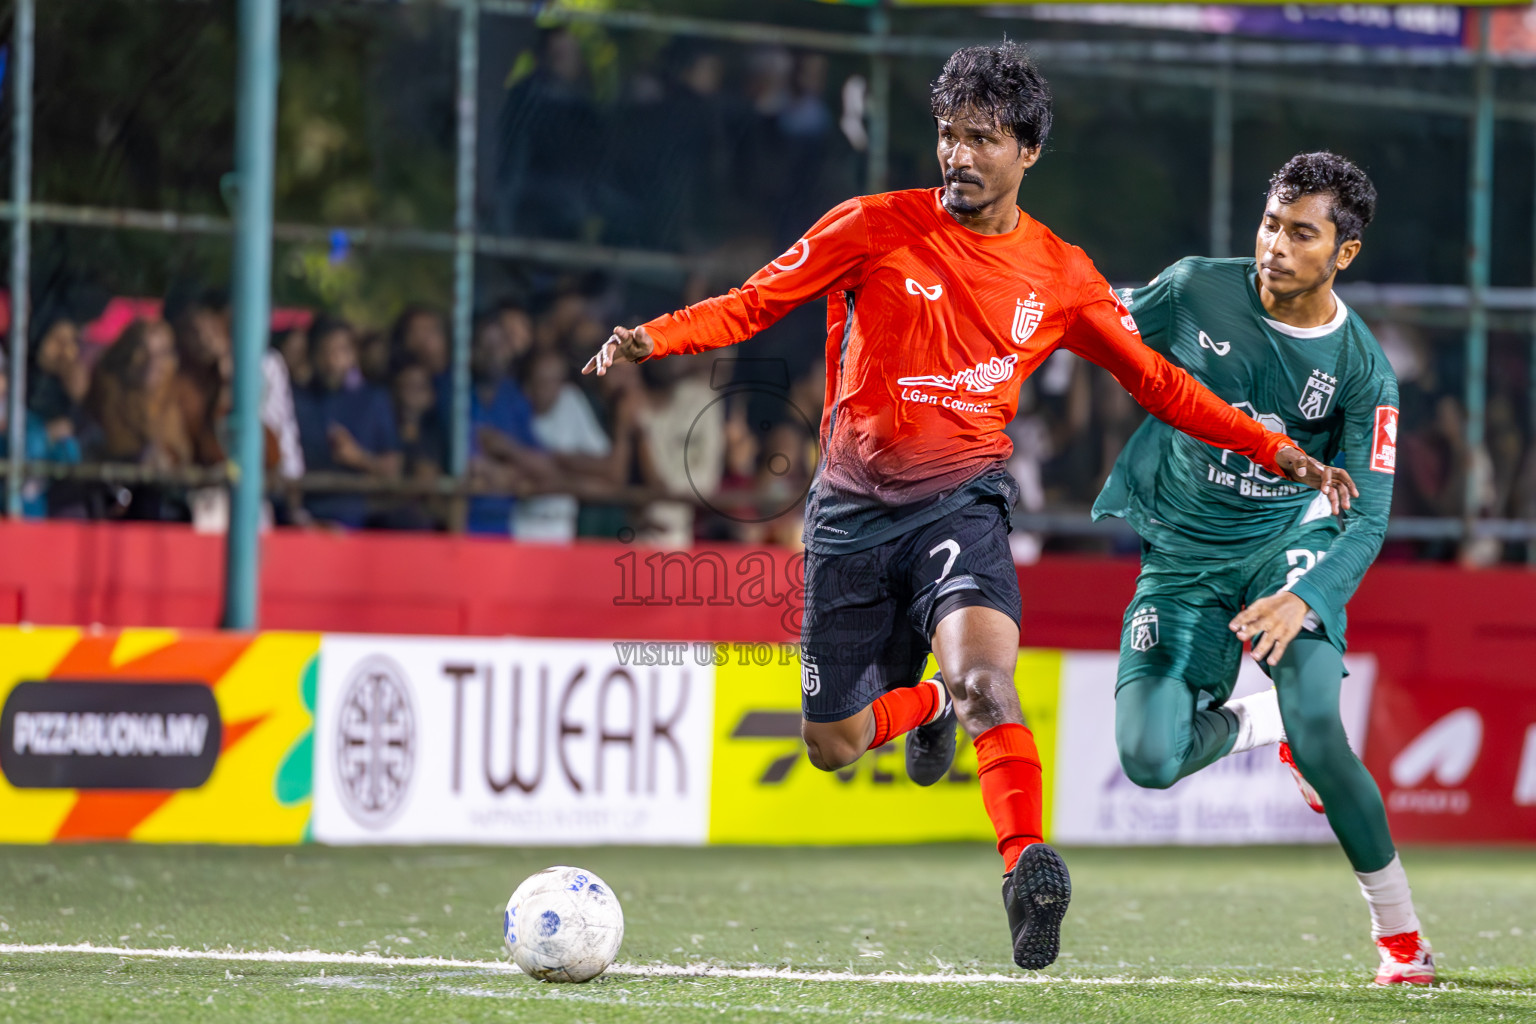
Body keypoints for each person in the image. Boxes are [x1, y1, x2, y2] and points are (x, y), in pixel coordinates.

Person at [584, 43, 1348, 971]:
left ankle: (1025, 866)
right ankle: (929, 704)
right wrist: (650, 338)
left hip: (962, 504)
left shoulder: (1058, 273)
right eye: (948, 134)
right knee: (832, 744)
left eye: (982, 138)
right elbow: (754, 304)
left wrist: (1274, 449)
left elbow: (1157, 381)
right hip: (849, 517)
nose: (958, 154)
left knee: (990, 683)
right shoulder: (872, 226)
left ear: (1027, 151)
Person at [1092, 152, 1431, 985]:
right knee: (1149, 759)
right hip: (1182, 551)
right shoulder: (1194, 289)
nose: (1275, 245)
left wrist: (1303, 597)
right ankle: (1261, 724)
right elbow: (1094, 328)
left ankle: (1400, 936)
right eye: (1271, 223)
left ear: (1344, 252)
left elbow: (1369, 516)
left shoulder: (1363, 373)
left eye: (1301, 233)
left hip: (1289, 543)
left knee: (1320, 727)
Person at [292, 318, 401, 528]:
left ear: (354, 354)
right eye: (325, 351)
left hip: (360, 522)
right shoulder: (296, 400)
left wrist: (359, 457)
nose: (333, 360)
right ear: (312, 354)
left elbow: (393, 469)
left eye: (342, 350)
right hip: (304, 519)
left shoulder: (374, 400)